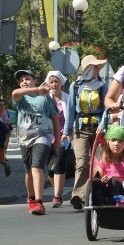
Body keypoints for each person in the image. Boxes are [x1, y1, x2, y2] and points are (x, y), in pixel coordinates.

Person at [63, 55, 109, 210]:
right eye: (94, 67)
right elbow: (70, 109)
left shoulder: (102, 86)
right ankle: (78, 195)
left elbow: (107, 108)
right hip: (80, 128)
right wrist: (67, 131)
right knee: (82, 163)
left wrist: (103, 125)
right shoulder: (75, 86)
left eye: (98, 67)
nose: (97, 70)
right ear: (88, 69)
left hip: (98, 129)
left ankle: (97, 194)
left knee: (99, 163)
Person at [12, 69, 60, 215]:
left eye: (27, 79)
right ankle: (31, 198)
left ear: (35, 80)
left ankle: (39, 202)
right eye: (21, 80)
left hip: (43, 136)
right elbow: (15, 93)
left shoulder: (45, 98)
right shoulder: (21, 98)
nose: (24, 82)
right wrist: (37, 89)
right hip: (25, 139)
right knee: (28, 171)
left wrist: (57, 140)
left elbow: (55, 118)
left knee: (37, 167)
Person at [45, 71, 70, 207]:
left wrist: (69, 132)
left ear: (61, 83)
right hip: (47, 137)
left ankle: (57, 196)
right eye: (52, 81)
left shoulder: (67, 99)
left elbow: (71, 117)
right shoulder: (45, 98)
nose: (54, 84)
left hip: (63, 136)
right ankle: (57, 190)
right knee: (49, 169)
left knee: (59, 164)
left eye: (56, 81)